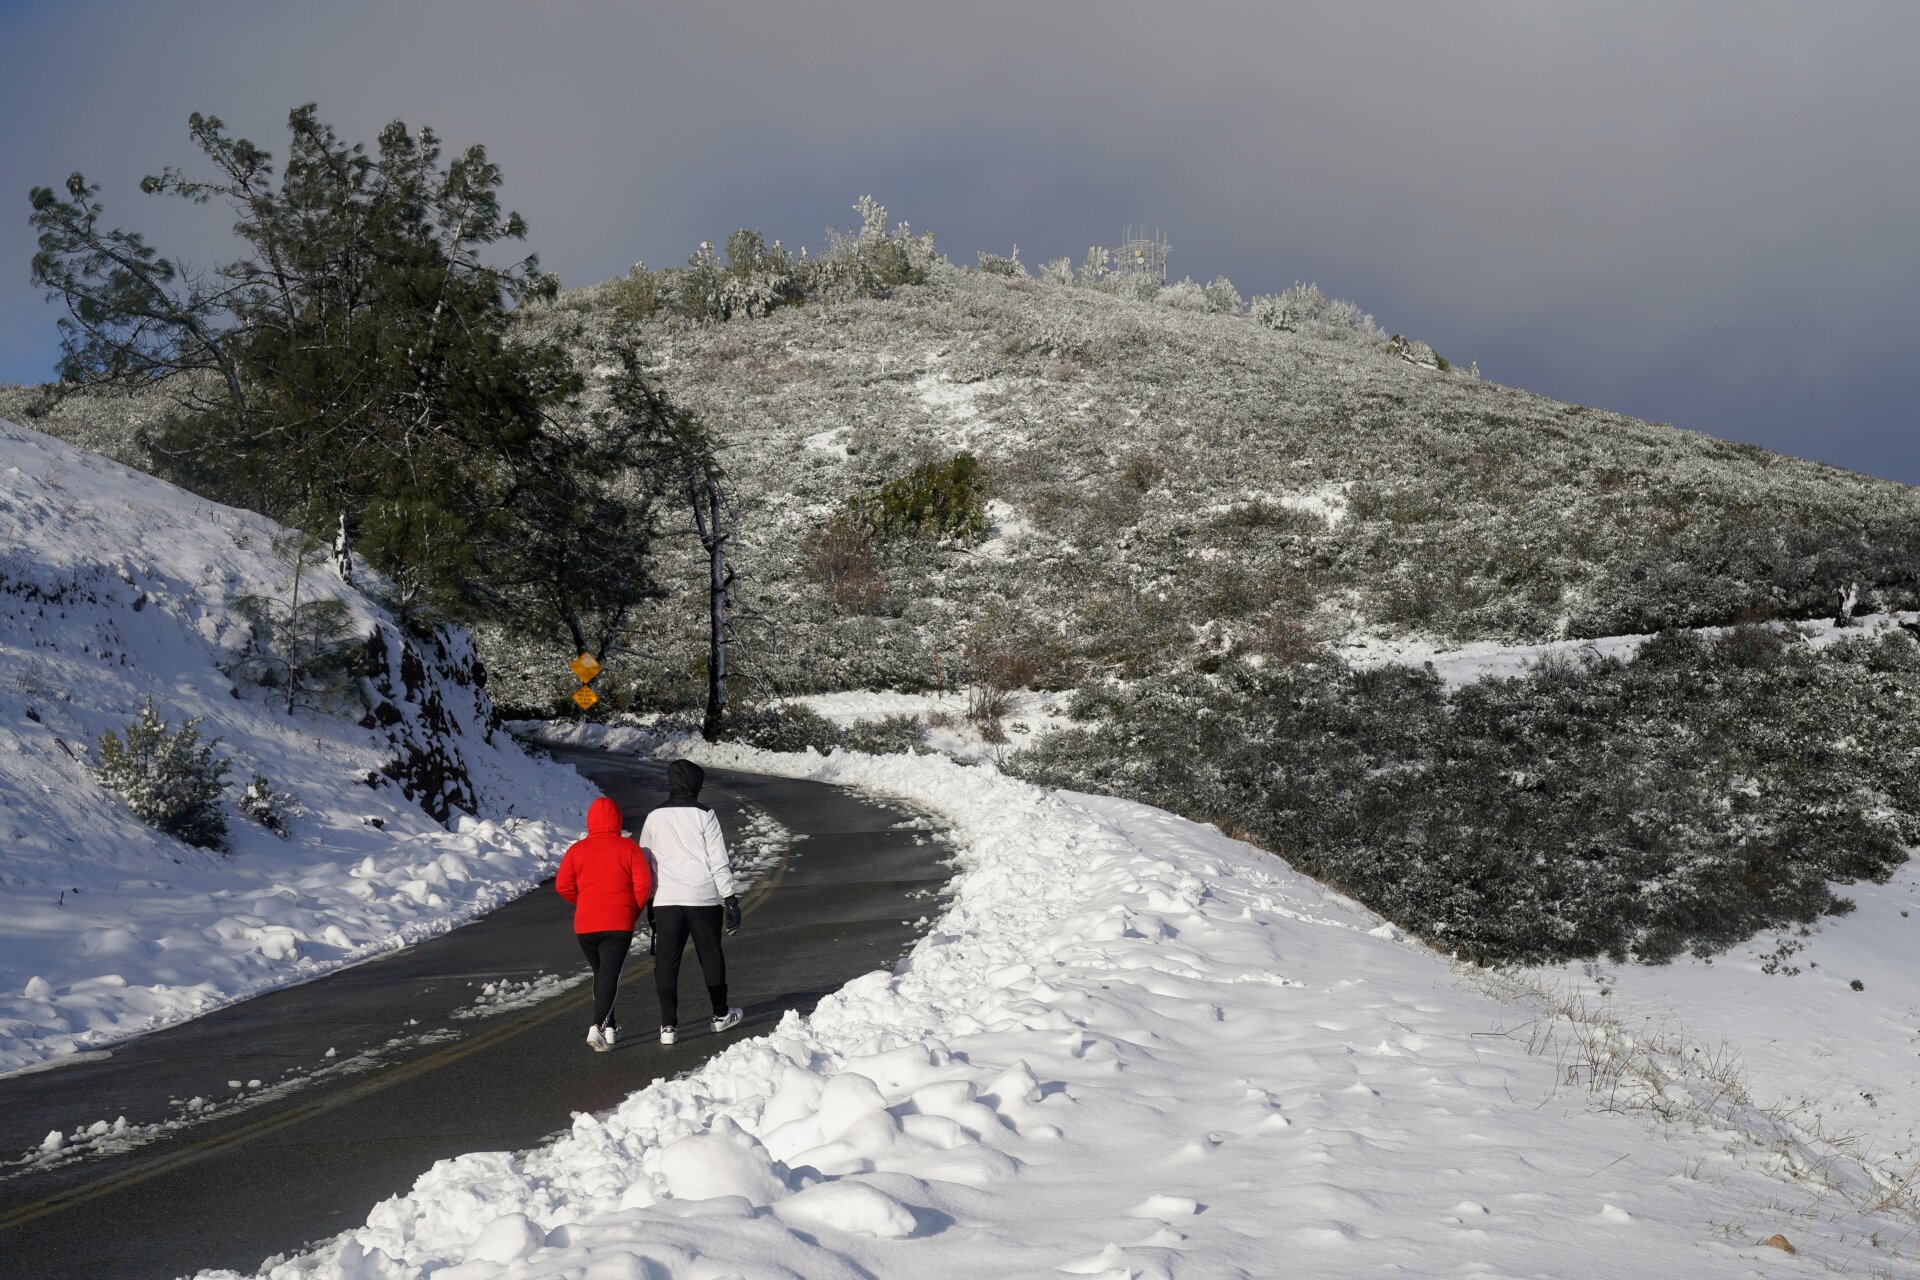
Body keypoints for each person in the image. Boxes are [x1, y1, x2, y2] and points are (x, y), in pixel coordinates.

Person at [639, 759, 743, 1045]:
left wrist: (649, 899)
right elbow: (718, 860)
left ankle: (668, 1026)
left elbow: (644, 861)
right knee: (710, 955)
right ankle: (720, 1015)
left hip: (666, 899)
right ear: (696, 785)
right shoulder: (705, 814)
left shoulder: (653, 817)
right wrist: (729, 898)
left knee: (666, 960)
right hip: (702, 896)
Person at [555, 797, 654, 1052]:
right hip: (617, 923)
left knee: (602, 975)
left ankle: (610, 1027)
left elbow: (563, 885)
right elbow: (643, 885)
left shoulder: (577, 850)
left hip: (585, 925)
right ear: (617, 819)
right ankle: (597, 1026)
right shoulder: (628, 848)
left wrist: (584, 902)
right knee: (610, 975)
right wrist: (631, 910)